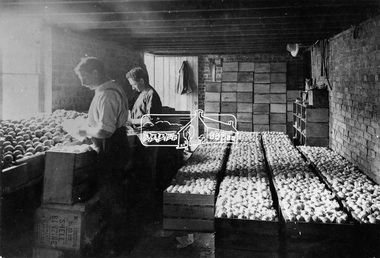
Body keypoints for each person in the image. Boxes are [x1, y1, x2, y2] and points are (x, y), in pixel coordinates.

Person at [74, 57, 130, 256]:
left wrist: (85, 132)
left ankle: (117, 246)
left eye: (84, 76)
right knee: (111, 195)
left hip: (111, 147)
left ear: (96, 72)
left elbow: (105, 131)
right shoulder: (107, 90)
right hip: (112, 146)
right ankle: (115, 241)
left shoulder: (107, 94)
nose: (82, 82)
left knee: (112, 196)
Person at [125, 67, 162, 219]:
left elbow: (151, 121)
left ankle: (149, 209)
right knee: (142, 171)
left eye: (134, 84)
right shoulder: (142, 94)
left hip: (149, 138)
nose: (132, 87)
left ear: (141, 80)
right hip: (141, 137)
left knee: (147, 171)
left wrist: (129, 121)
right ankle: (144, 205)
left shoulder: (151, 95)